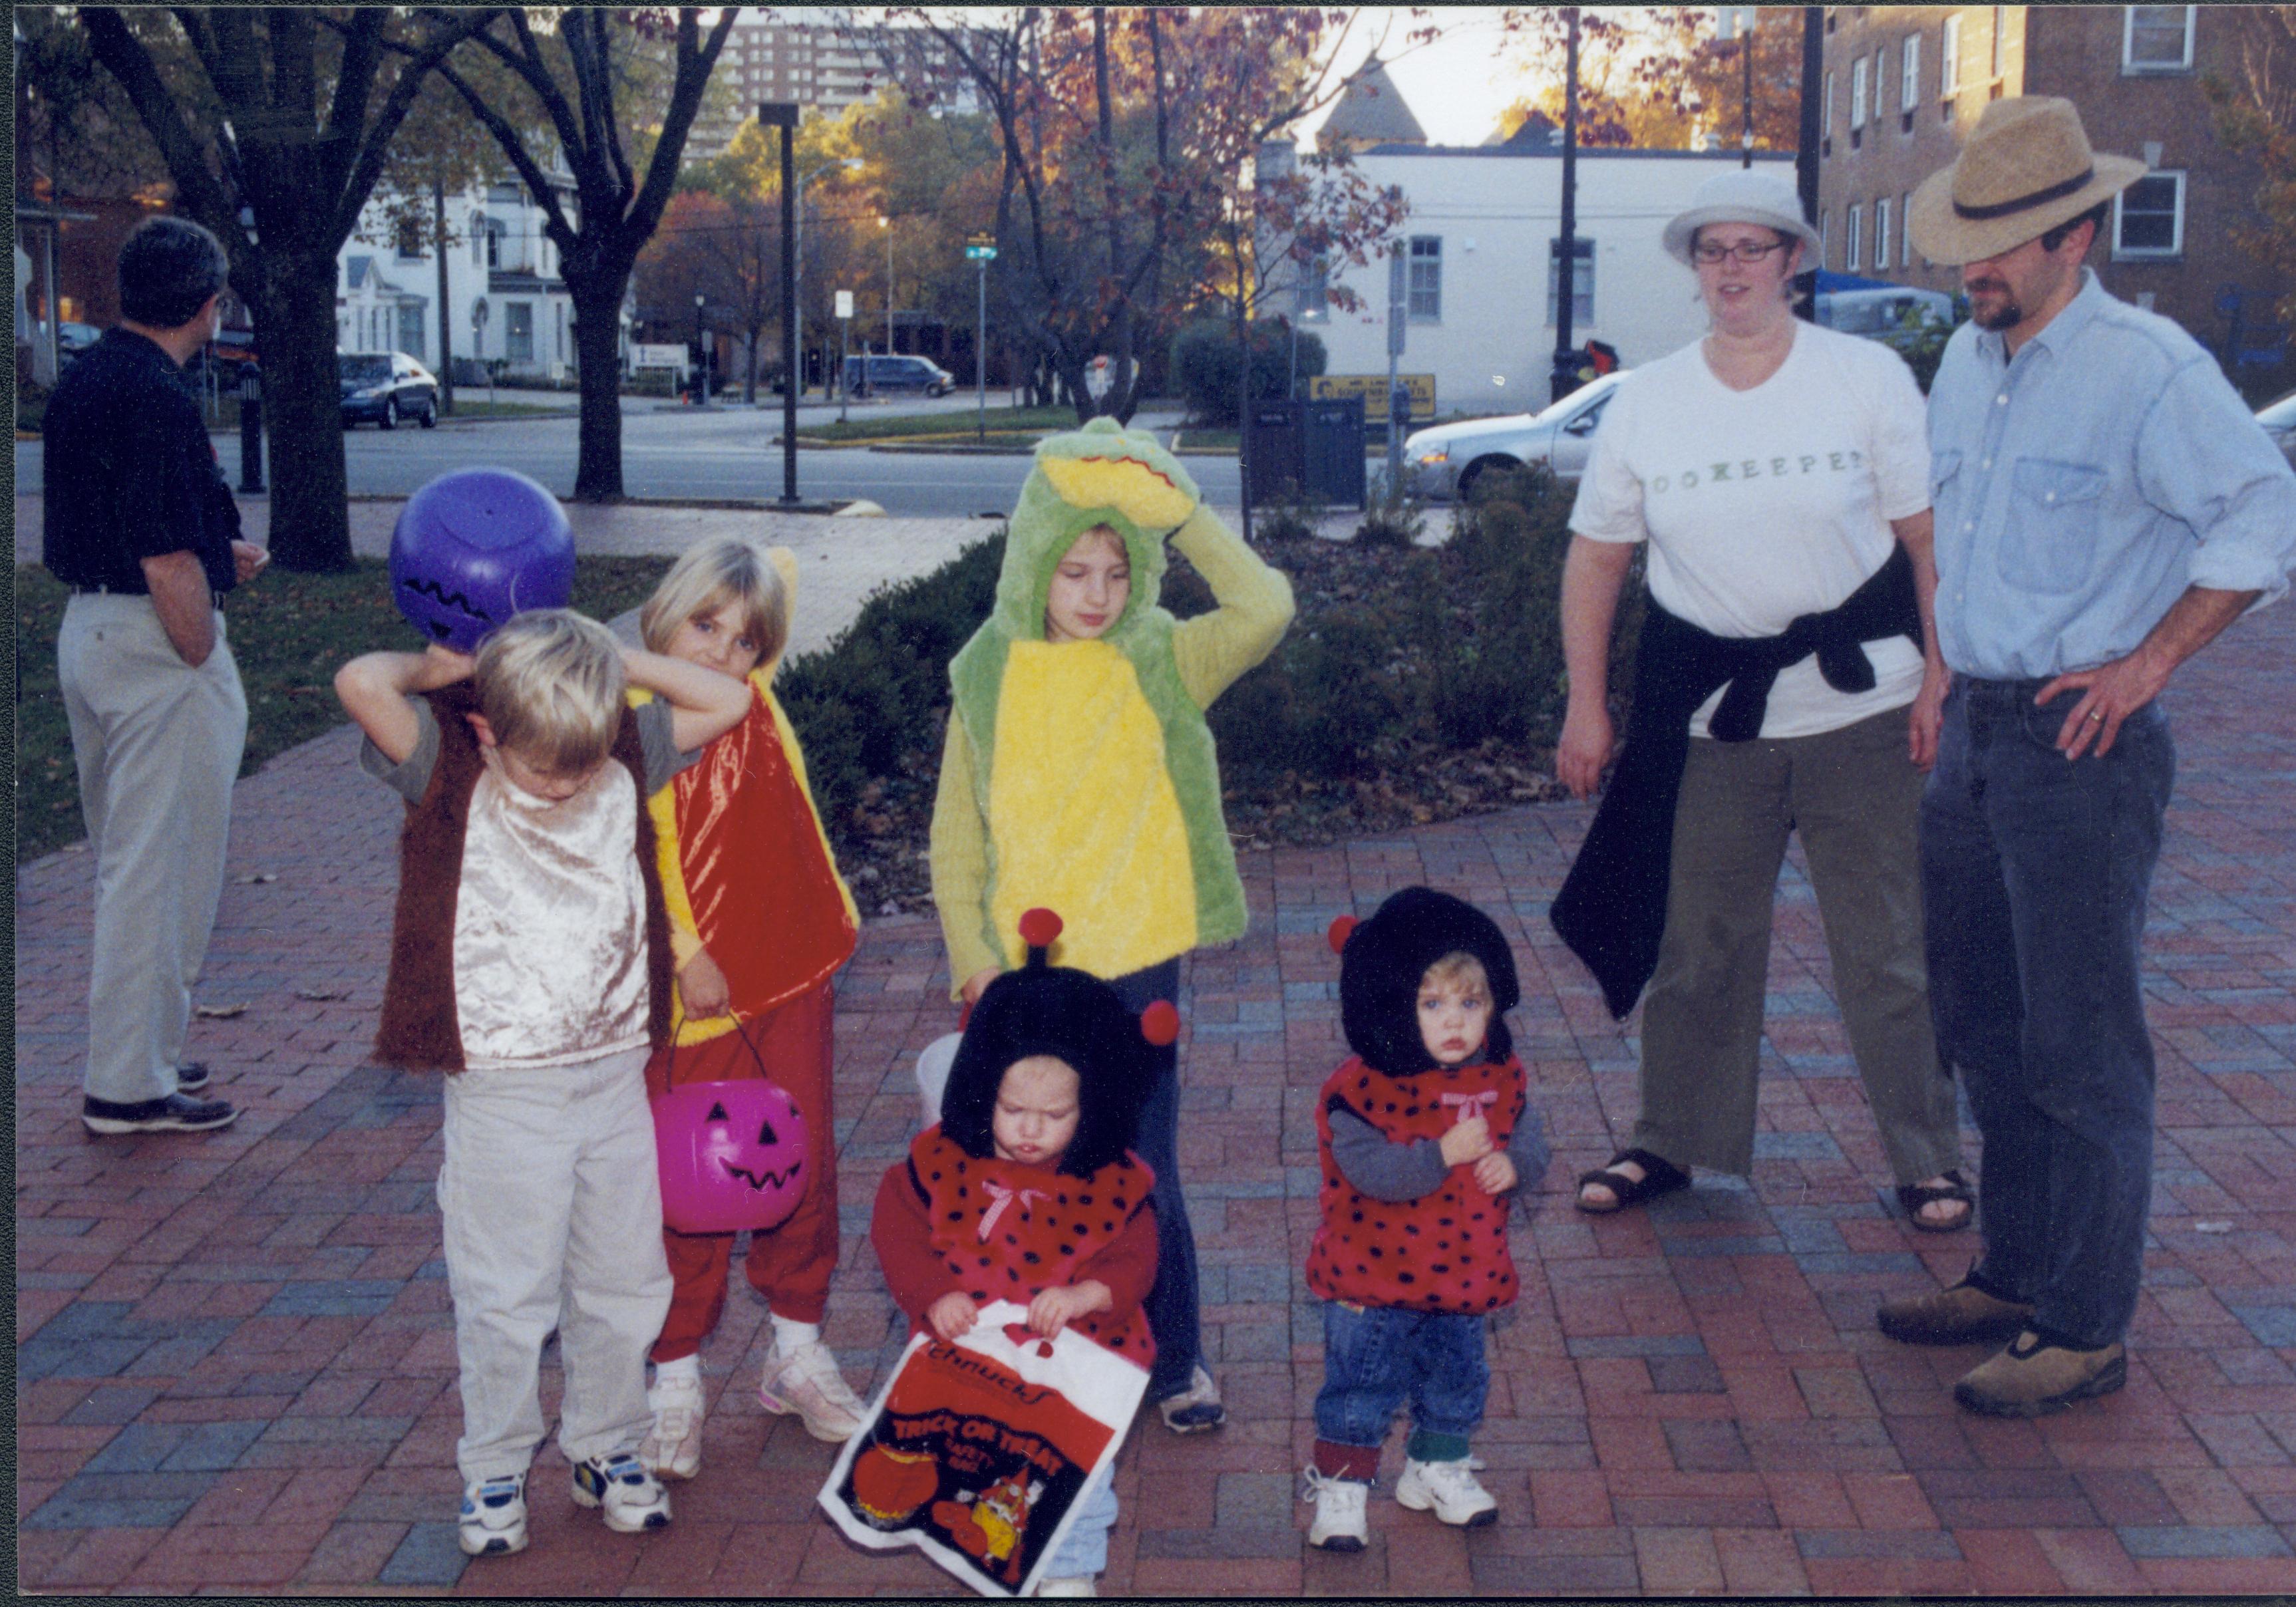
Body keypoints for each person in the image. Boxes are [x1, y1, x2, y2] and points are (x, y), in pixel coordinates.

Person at [1878, 96, 2296, 1417]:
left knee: (2082, 1044)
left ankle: (2084, 1322)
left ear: (2076, 232)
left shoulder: (2151, 368)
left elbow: (2263, 511)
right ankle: (2011, 1276)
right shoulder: (1968, 358)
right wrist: (1941, 670)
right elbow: (1953, 532)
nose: (1970, 269)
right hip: (1974, 732)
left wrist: (2148, 663)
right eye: (1963, 245)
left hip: (2081, 743)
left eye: (1995, 247)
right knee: (1986, 1027)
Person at [1551, 166, 1971, 1231]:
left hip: (1866, 709)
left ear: (1792, 261)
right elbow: (1595, 561)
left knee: (1881, 945)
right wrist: (1584, 706)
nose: (1731, 269)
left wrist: (1938, 678)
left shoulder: (1864, 377)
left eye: (1753, 249)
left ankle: (1927, 1158)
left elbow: (1926, 542)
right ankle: (1670, 1142)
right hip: (1711, 723)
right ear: (1694, 269)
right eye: (1712, 251)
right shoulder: (1646, 401)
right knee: (1697, 945)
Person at [335, 609, 752, 1556]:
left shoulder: (620, 743)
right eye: (541, 767)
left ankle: (606, 1444)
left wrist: (613, 664)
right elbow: (361, 683)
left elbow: (728, 697)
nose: (565, 784)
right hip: (501, 1085)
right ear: (488, 728)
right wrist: (447, 670)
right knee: (505, 1289)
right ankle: (493, 1464)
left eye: (581, 764)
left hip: (609, 1076)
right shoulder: (444, 764)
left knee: (622, 1278)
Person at [929, 418, 1294, 1434]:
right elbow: (955, 835)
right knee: (1022, 1167)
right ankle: (1030, 1347)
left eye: (1116, 571)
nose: (1094, 594)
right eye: (1072, 569)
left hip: (1134, 964)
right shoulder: (986, 674)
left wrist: (1177, 515)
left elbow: (1264, 606)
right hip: (1023, 976)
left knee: (1139, 1167)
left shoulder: (1167, 659)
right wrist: (971, 958)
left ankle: (1173, 1360)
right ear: (1032, 566)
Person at [629, 537, 867, 1473]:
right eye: (703, 625)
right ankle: (675, 1380)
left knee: (795, 1172)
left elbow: (777, 576)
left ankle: (796, 1355)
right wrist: (685, 952)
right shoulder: (635, 719)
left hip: (795, 969)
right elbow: (634, 851)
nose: (723, 653)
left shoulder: (755, 695)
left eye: (744, 640)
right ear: (661, 620)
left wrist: (744, 586)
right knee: (688, 1189)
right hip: (702, 995)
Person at [46, 215, 270, 1135]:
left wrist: (220, 554)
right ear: (208, 304)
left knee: (130, 861)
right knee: (162, 869)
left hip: (89, 631)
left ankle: (144, 1053)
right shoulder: (160, 397)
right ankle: (129, 1088)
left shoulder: (91, 377)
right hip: (153, 645)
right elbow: (165, 552)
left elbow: (127, 514)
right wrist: (199, 649)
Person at [871, 908, 1164, 1597]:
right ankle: (990, 1558)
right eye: (1012, 1111)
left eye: (1055, 1116)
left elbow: (1138, 1254)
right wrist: (930, 1292)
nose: (1030, 1131)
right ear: (983, 1092)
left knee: (1075, 1472)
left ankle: (1070, 1573)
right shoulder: (939, 1163)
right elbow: (898, 1229)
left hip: (1077, 1358)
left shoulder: (1109, 1180)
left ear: (1089, 1109)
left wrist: (1092, 1294)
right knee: (973, 1465)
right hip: (972, 1355)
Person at [1299, 888, 1550, 1552]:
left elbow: (1529, 1136)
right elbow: (1372, 1174)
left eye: (1471, 1003)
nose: (1454, 1022)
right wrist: (1441, 1154)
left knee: (1456, 1377)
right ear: (1391, 1005)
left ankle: (1436, 1464)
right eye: (1433, 1004)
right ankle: (1343, 1486)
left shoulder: (1503, 1078)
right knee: (1360, 1385)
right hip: (1370, 1277)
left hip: (1464, 1269)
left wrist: (1516, 1164)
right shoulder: (1358, 1091)